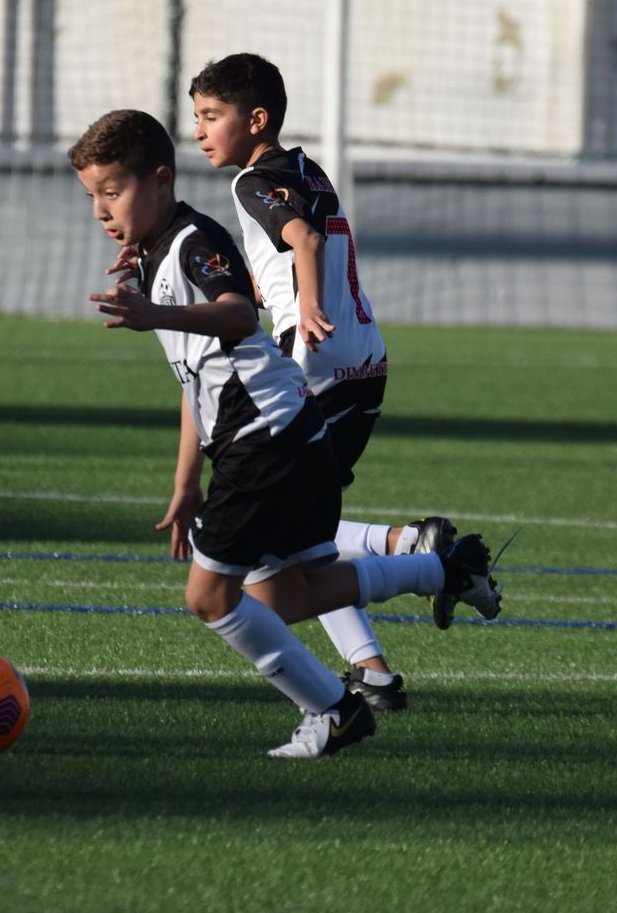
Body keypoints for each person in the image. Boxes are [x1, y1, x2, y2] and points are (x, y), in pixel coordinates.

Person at [70, 108, 501, 759]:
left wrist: (150, 312)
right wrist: (186, 484)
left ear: (160, 180)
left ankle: (334, 709)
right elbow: (198, 375)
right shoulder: (158, 251)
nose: (102, 209)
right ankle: (441, 567)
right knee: (284, 596)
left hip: (267, 438)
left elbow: (239, 315)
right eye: (92, 196)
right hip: (287, 433)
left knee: (210, 599)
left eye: (113, 190)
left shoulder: (192, 242)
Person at [186, 52, 465, 712]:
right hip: (363, 362)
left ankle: (427, 559)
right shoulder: (307, 168)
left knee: (270, 570)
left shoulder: (250, 184)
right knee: (297, 542)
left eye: (211, 117)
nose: (200, 130)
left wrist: (305, 307)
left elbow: (304, 242)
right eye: (196, 117)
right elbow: (303, 244)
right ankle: (375, 669)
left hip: (316, 371)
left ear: (256, 120)